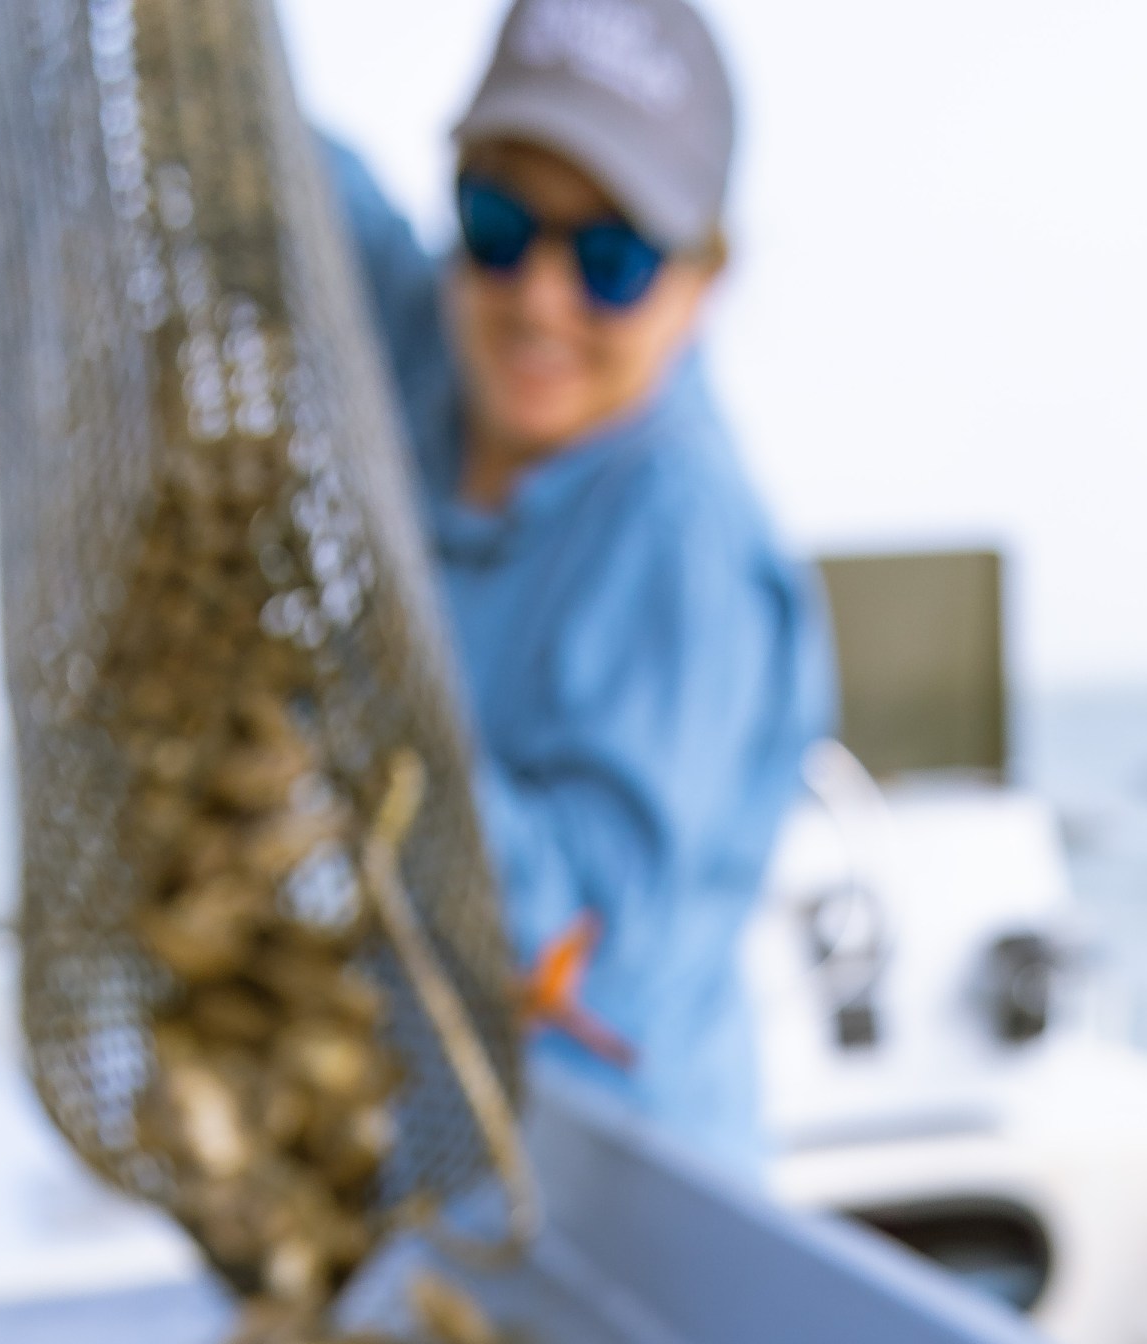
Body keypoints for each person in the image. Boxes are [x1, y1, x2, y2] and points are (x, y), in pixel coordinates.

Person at [322, 0, 829, 1179]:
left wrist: (346, 711)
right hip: (404, 1126)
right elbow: (283, 168)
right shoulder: (429, 338)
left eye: (611, 259)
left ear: (705, 278)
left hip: (616, 1189)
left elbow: (572, 943)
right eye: (499, 224)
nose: (542, 298)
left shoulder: (690, 549)